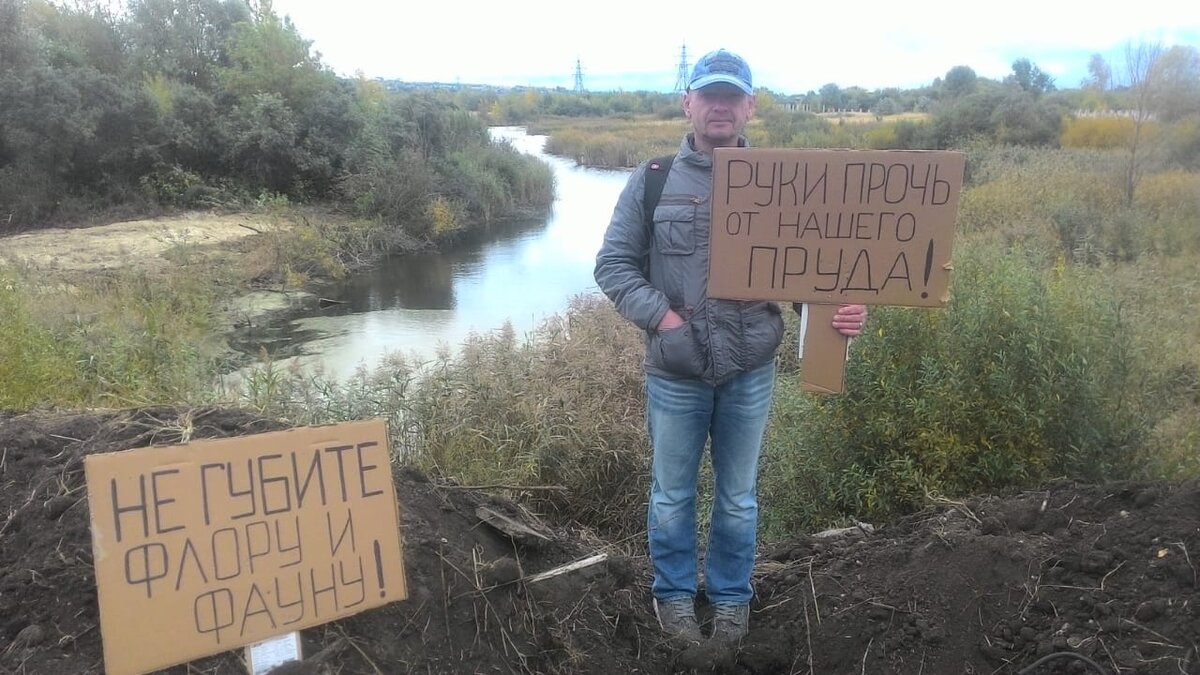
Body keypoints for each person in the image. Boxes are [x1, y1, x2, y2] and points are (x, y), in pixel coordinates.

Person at [593, 48, 868, 644]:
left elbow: (810, 275)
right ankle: (673, 599)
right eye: (708, 94)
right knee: (671, 496)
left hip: (749, 370)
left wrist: (836, 312)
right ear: (688, 102)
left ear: (750, 106)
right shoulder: (653, 179)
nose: (719, 106)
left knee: (738, 499)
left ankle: (730, 598)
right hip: (676, 371)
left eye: (731, 96)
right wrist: (662, 318)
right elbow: (613, 266)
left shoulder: (785, 185)